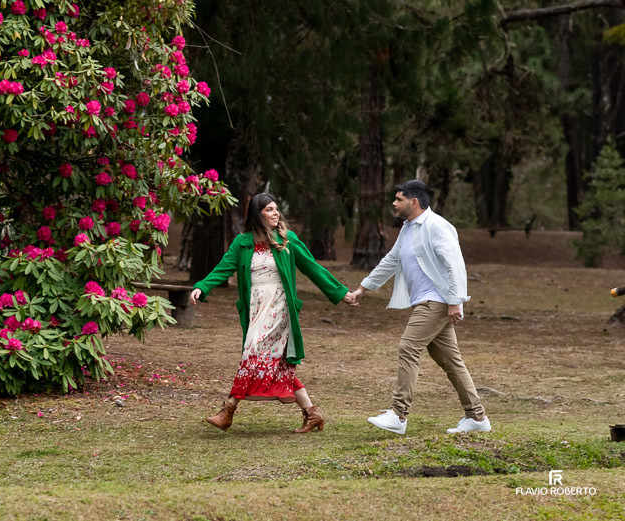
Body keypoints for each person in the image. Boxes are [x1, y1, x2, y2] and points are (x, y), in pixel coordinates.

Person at [190, 193, 350, 433]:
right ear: (258, 214)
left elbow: (313, 268)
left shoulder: (287, 240)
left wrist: (340, 293)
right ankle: (312, 412)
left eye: (277, 209)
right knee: (275, 362)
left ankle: (228, 411)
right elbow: (223, 268)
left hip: (279, 307)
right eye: (269, 210)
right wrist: (202, 287)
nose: (276, 213)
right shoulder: (242, 242)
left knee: (252, 353)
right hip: (255, 308)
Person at [347, 179, 491, 435]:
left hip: (436, 300)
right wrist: (363, 288)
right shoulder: (408, 228)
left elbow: (454, 263)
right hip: (424, 301)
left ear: (413, 202)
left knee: (408, 346)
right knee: (451, 361)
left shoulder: (437, 226)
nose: (394, 203)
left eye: (399, 199)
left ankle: (398, 415)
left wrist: (456, 300)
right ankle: (477, 417)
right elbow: (392, 260)